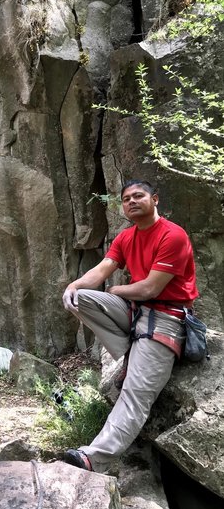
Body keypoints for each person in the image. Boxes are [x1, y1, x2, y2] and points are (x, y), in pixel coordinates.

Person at [61, 179, 198, 473]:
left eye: (139, 196)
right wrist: (73, 286)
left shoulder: (173, 236)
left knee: (135, 395)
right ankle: (130, 353)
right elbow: (102, 270)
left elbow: (149, 288)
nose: (132, 202)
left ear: (155, 199)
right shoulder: (126, 237)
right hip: (135, 314)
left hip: (166, 319)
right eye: (126, 199)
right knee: (82, 299)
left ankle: (94, 458)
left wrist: (115, 292)